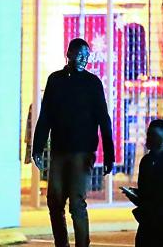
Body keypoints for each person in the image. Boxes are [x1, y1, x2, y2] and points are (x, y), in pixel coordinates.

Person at [32, 38, 115, 247]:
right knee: (54, 201)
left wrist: (109, 154)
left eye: (86, 56)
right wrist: (37, 147)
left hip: (83, 152)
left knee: (77, 202)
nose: (83, 60)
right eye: (79, 55)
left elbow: (104, 119)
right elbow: (46, 116)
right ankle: (62, 243)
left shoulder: (92, 83)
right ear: (68, 54)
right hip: (60, 150)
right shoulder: (55, 80)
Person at [122, 119, 163, 247]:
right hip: (149, 219)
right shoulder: (147, 161)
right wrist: (134, 195)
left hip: (162, 221)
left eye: (153, 135)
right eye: (149, 134)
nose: (149, 138)